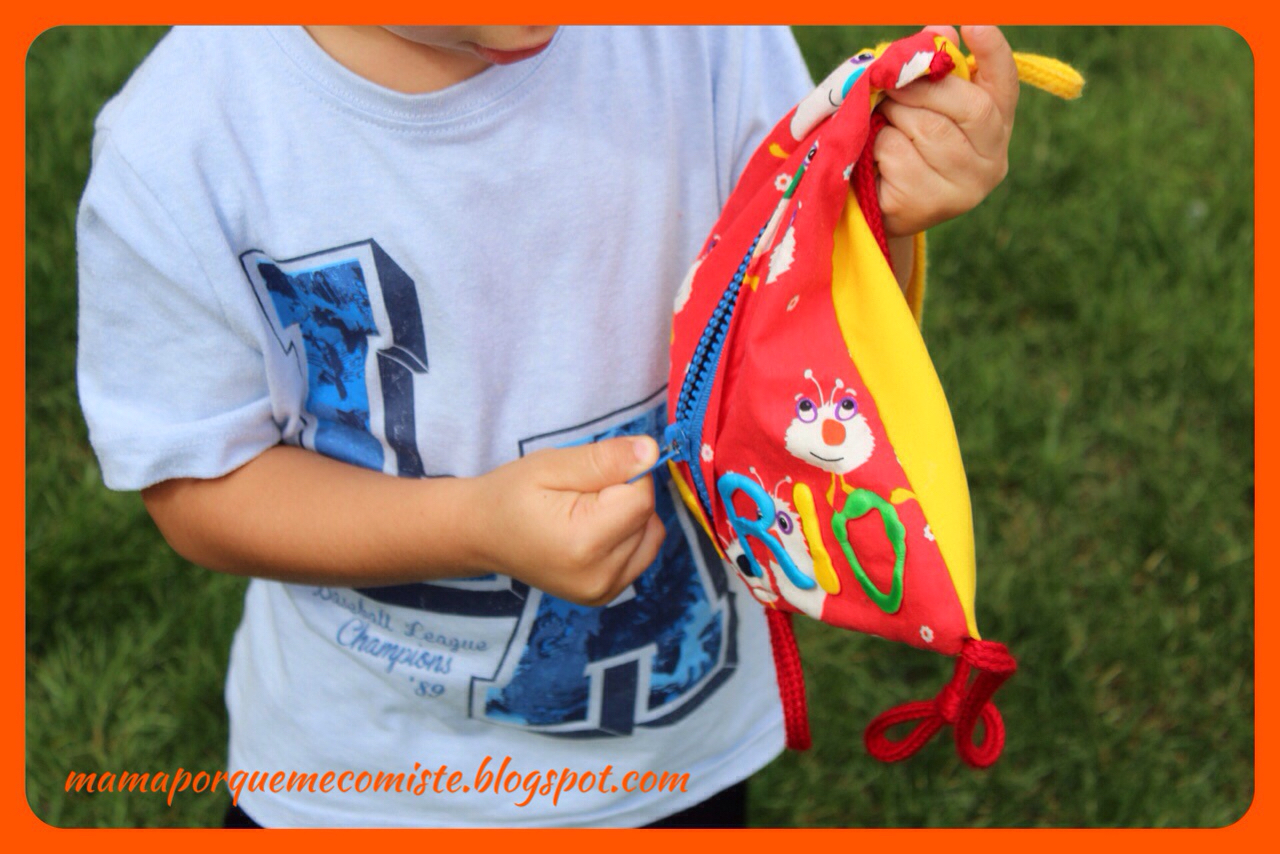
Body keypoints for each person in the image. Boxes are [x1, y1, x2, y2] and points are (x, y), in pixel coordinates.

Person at [76, 24, 1019, 828]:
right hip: (360, 783)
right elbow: (199, 485)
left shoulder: (705, 36)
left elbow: (798, 337)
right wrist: (470, 526)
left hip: (672, 755)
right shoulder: (182, 145)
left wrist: (881, 213)